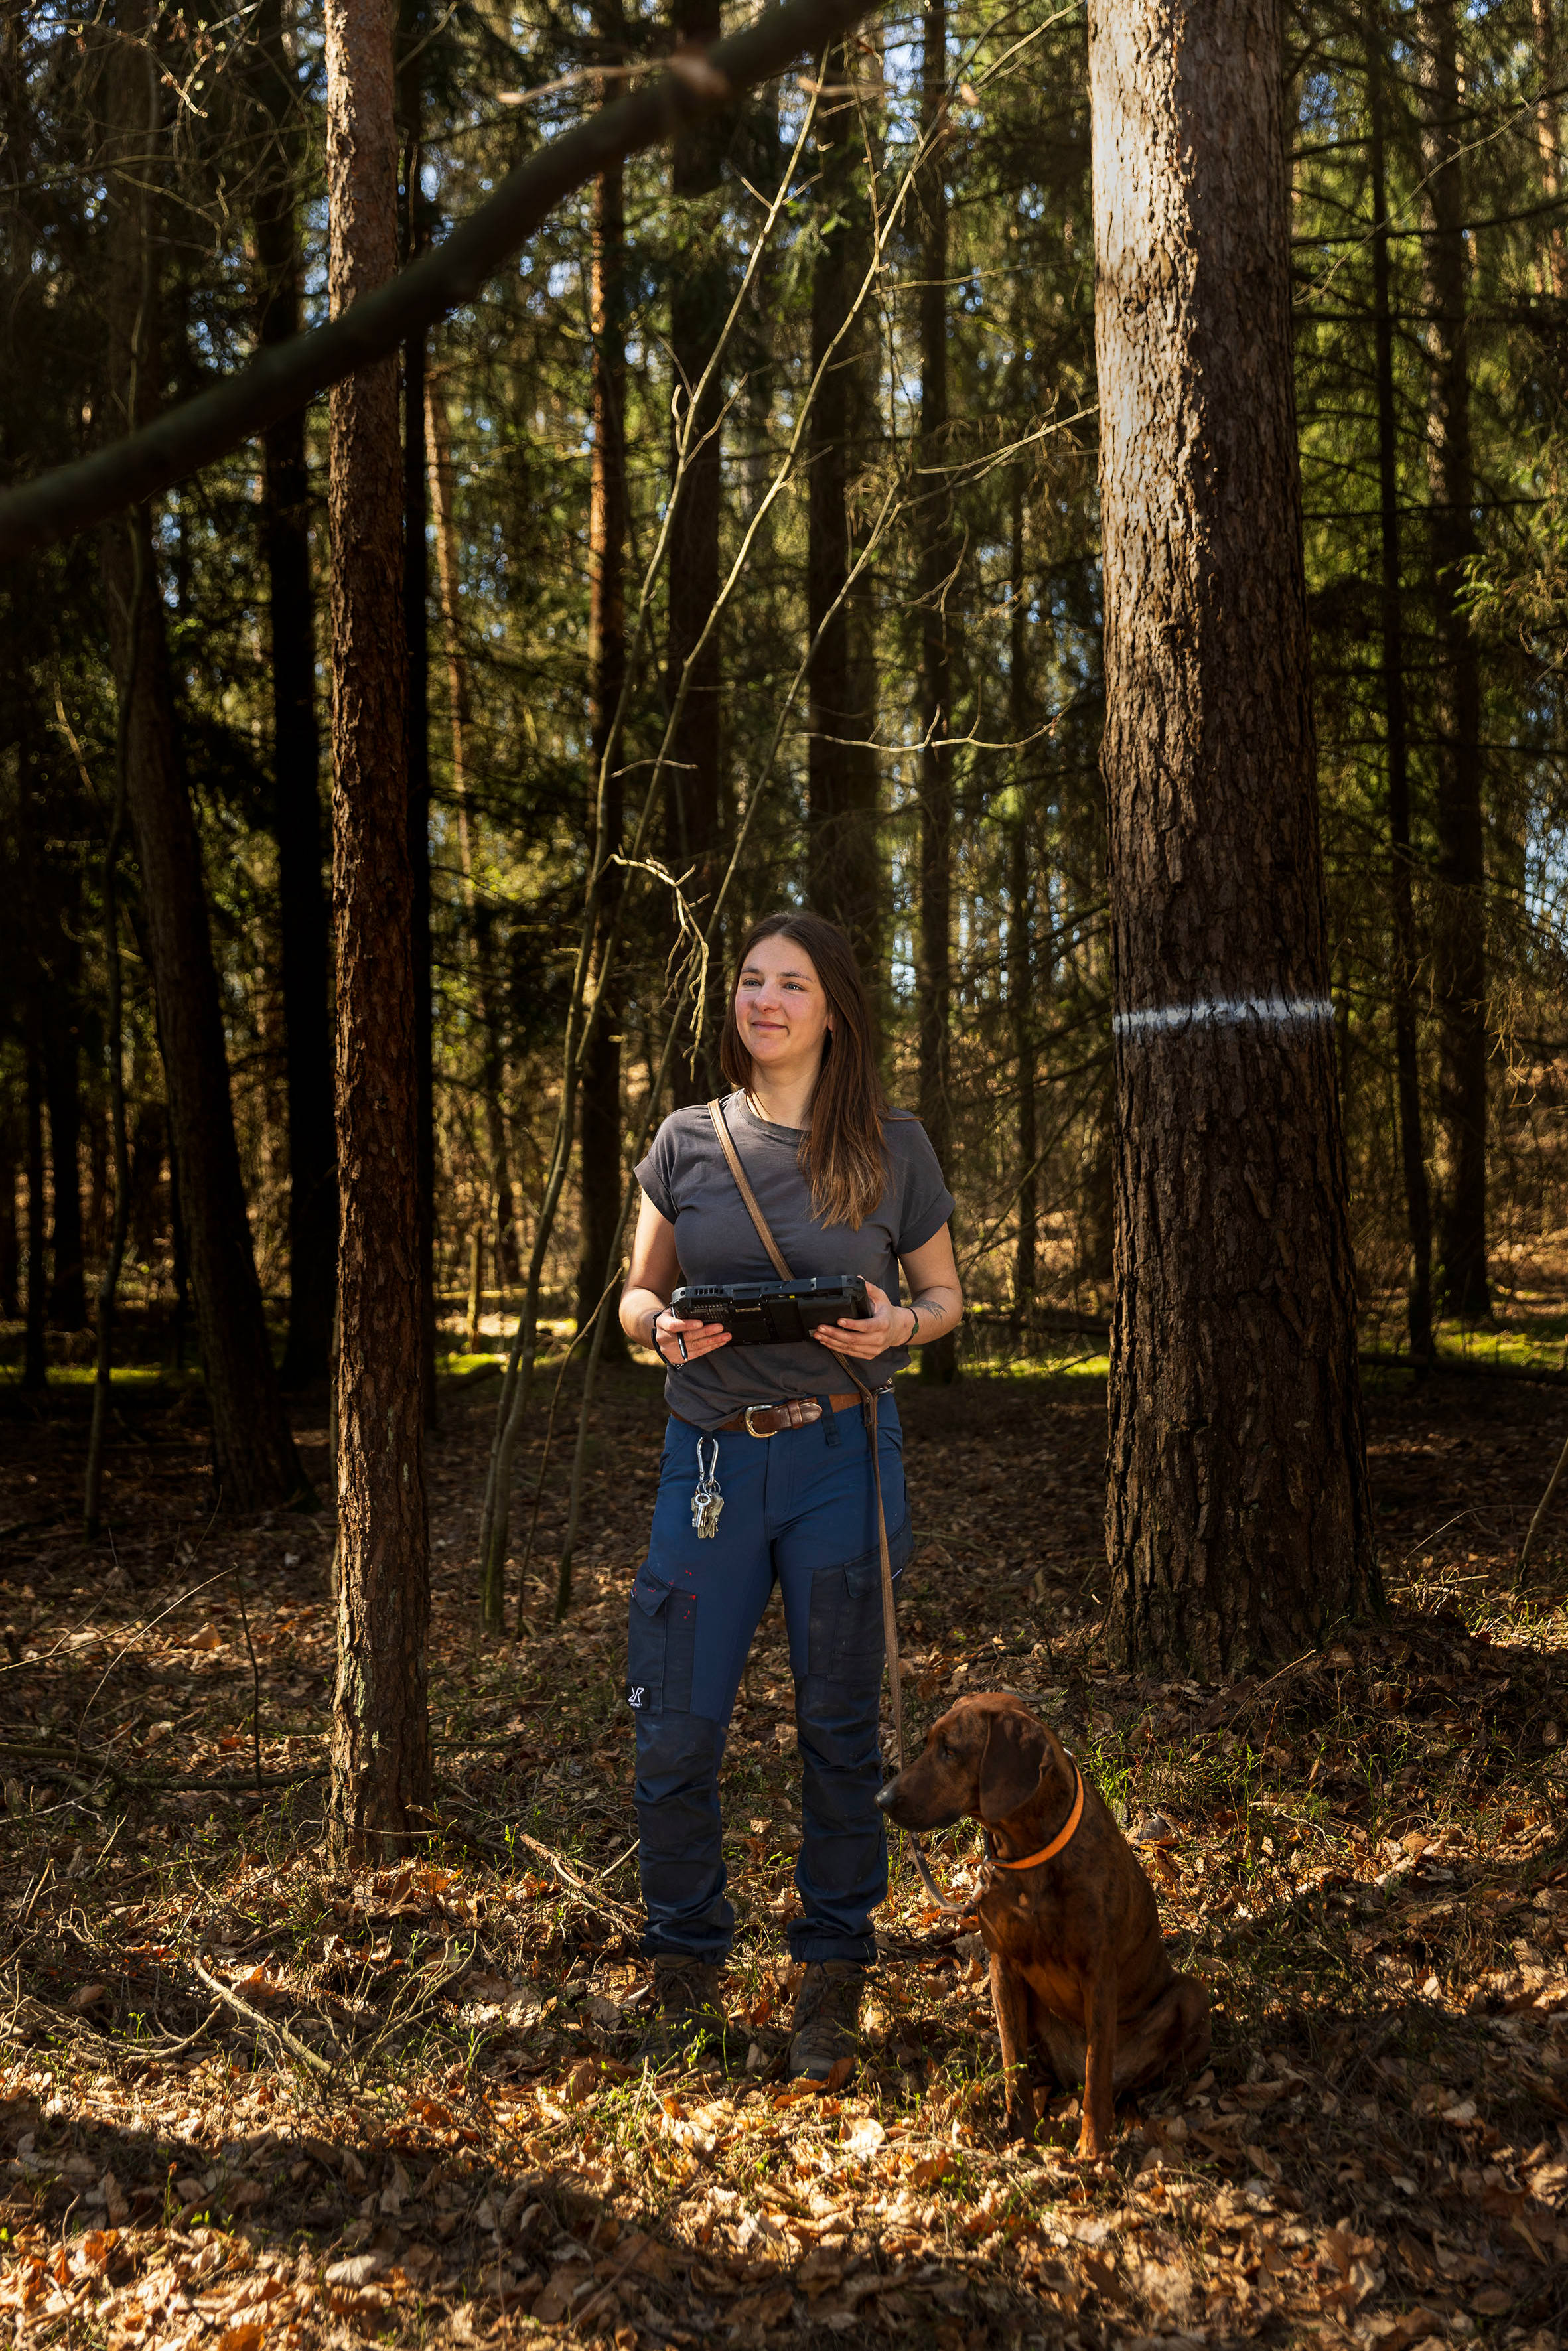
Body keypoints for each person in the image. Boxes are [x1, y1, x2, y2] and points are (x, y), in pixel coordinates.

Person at [618, 910, 963, 2078]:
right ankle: (684, 1966)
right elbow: (632, 1298)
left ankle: (832, 1969)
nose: (764, 1001)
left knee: (838, 1727)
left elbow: (945, 1300)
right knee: (675, 1727)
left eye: (792, 983)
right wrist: (660, 1330)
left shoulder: (891, 1143)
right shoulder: (684, 1139)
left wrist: (896, 1328)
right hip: (708, 1463)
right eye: (751, 981)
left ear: (835, 1008)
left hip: (840, 1458)